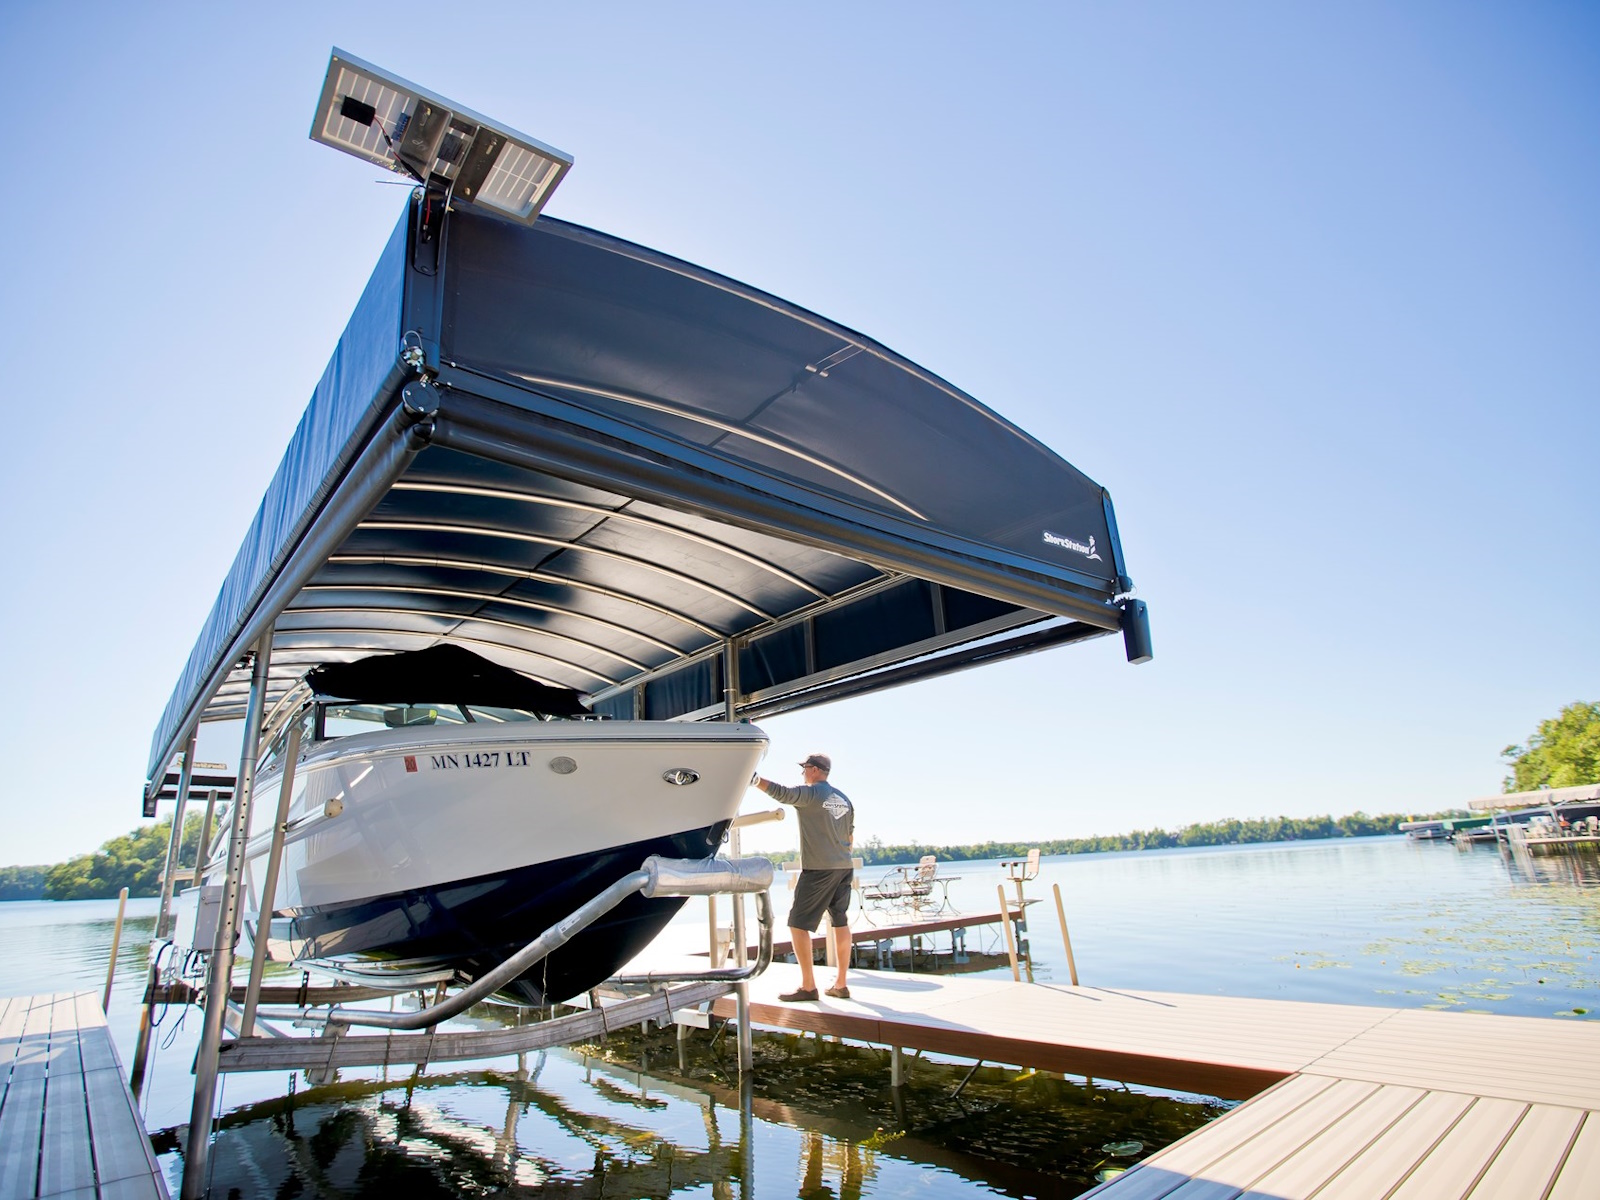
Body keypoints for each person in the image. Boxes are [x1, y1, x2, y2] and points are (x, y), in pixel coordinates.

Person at [751, 753, 855, 1001]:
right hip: (843, 866)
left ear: (815, 770)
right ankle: (840, 984)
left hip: (819, 870)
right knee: (840, 920)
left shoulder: (811, 793)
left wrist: (754, 780)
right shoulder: (844, 799)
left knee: (797, 924)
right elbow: (850, 837)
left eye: (805, 768)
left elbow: (783, 793)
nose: (802, 773)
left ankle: (808, 987)